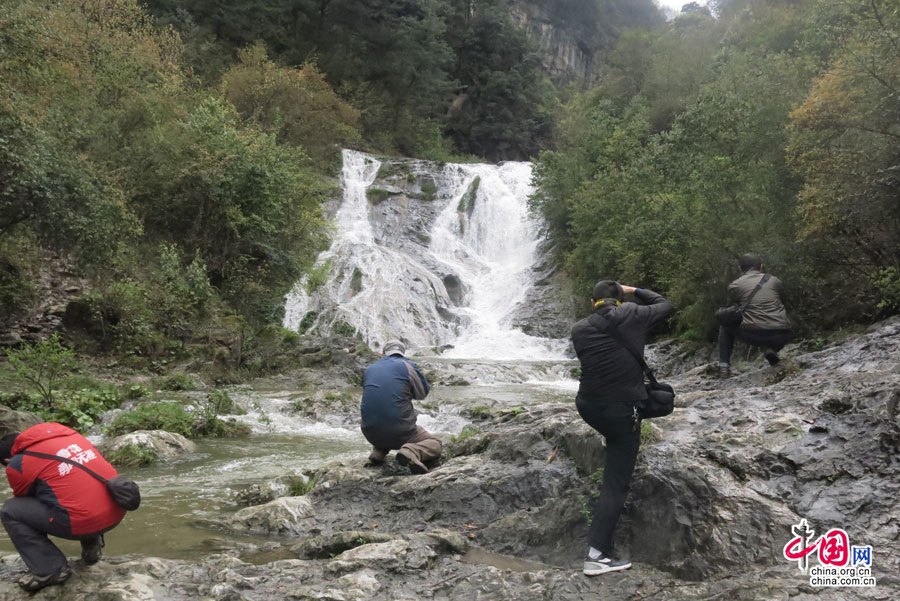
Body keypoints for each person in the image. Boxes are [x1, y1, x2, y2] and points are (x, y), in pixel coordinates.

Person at [570, 280, 674, 576]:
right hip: (620, 410)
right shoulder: (634, 314)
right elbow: (666, 305)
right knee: (616, 483)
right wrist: (635, 291)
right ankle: (597, 555)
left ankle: (610, 437)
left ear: (592, 303)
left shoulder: (579, 329)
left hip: (588, 407)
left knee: (613, 427)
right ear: (622, 301)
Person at [0, 423, 126, 592]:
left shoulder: (18, 463)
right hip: (117, 508)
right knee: (74, 488)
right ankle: (92, 545)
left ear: (7, 460)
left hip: (84, 521)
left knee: (11, 510)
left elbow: (24, 499)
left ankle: (50, 570)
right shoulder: (68, 438)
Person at [360, 340, 442, 474]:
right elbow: (422, 394)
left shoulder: (370, 369)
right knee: (435, 443)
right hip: (400, 432)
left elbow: (374, 396)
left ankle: (378, 451)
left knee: (382, 410)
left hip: (369, 432)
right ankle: (411, 451)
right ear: (402, 354)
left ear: (383, 354)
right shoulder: (408, 366)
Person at [717, 254, 792, 378]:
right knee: (777, 318)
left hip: (754, 334)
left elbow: (731, 311)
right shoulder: (775, 280)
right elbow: (785, 302)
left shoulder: (735, 285)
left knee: (725, 324)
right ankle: (770, 349)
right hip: (782, 334)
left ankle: (723, 366)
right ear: (761, 266)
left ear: (740, 269)